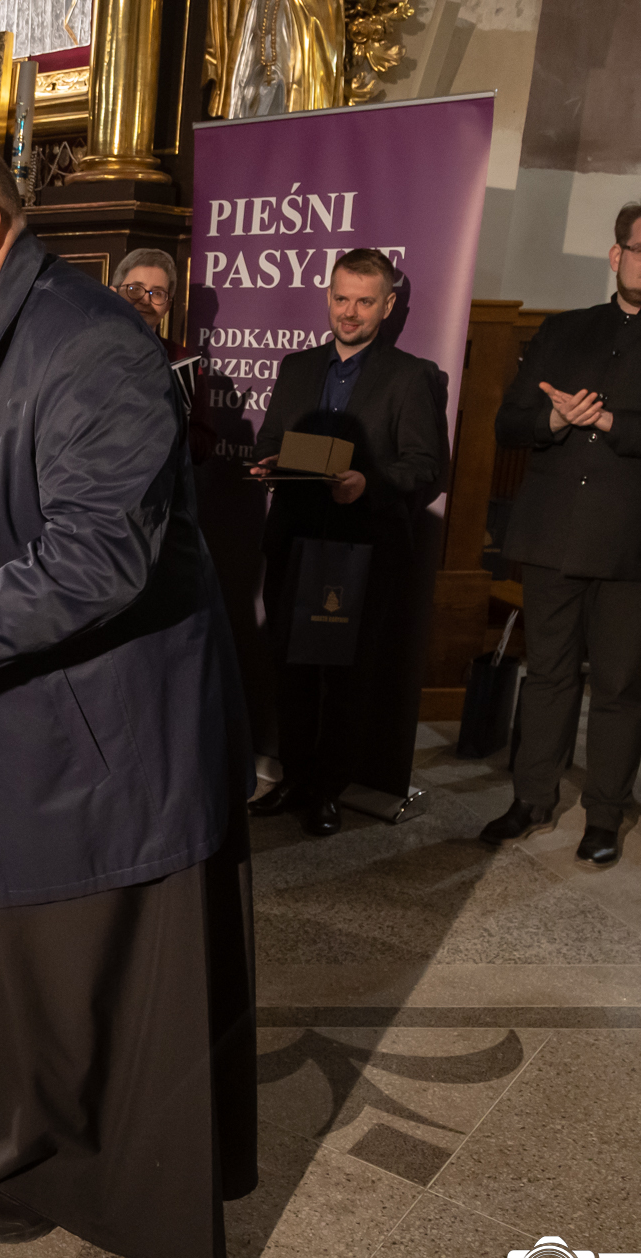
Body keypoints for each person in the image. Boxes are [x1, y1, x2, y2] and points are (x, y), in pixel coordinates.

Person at [0, 139, 256, 1258]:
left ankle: (31, 1168)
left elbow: (94, 561)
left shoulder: (92, 347)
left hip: (86, 734)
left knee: (51, 969)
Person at [482, 193, 641, 866]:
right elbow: (509, 424)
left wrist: (611, 422)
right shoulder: (561, 330)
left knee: (620, 685)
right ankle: (530, 799)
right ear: (617, 254)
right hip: (552, 533)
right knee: (546, 675)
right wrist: (554, 420)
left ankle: (604, 814)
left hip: (636, 541)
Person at [246, 249, 445, 836]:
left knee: (346, 677)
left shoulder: (410, 375)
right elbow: (271, 439)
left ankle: (328, 791)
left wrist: (367, 483)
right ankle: (294, 778)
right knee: (292, 669)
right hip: (294, 539)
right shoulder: (297, 366)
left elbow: (425, 465)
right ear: (328, 297)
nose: (349, 312)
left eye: (364, 301)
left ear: (387, 305)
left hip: (363, 548)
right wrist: (270, 462)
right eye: (341, 298)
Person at [113, 246, 181, 356]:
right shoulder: (88, 350)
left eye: (157, 293)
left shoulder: (181, 359)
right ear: (113, 295)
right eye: (135, 289)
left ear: (167, 306)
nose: (145, 301)